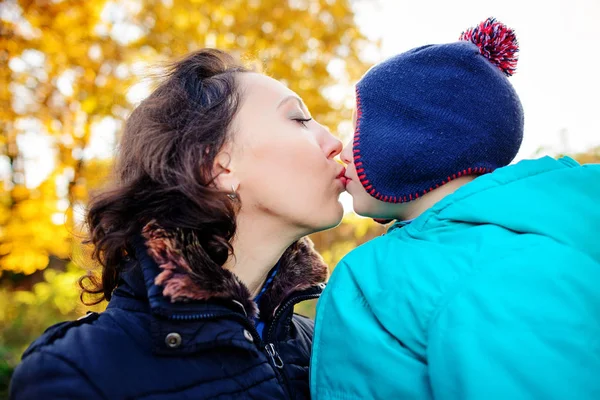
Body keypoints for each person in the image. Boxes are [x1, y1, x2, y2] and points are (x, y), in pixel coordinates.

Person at [10, 49, 347, 399]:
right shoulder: (78, 374)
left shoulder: (320, 346)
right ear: (217, 165)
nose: (335, 143)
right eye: (299, 119)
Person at [311, 18, 600, 399]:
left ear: (411, 139)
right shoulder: (487, 247)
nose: (342, 150)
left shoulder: (475, 269)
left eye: (359, 129)